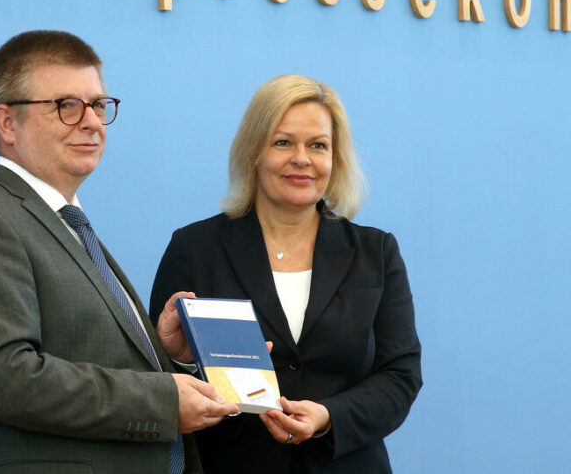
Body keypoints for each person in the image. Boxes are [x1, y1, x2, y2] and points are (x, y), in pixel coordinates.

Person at [0, 30, 239, 474]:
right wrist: (163, 398)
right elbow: (4, 380)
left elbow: (89, 355)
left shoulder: (66, 222)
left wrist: (167, 354)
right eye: (66, 106)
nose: (91, 122)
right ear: (8, 123)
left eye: (99, 105)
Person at [149, 75, 422, 473]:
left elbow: (400, 376)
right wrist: (179, 359)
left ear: (335, 157)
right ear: (253, 152)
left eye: (318, 145)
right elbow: (152, 379)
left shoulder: (376, 252)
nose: (302, 158)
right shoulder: (194, 248)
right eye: (283, 142)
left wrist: (328, 416)